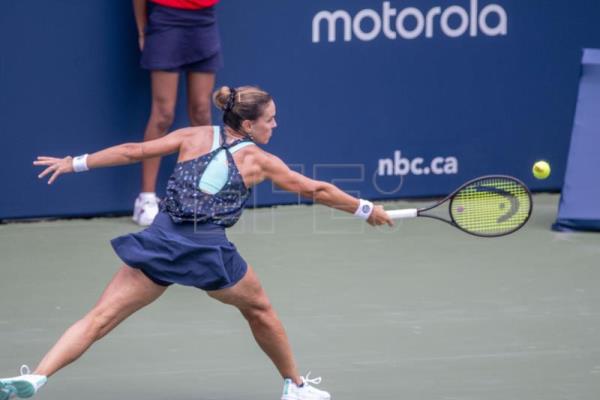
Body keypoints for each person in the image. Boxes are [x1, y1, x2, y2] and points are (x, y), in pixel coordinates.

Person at [0, 86, 393, 400]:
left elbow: (133, 151)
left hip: (161, 240)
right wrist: (364, 208)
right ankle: (295, 387)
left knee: (99, 318)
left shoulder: (193, 135)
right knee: (260, 310)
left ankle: (37, 377)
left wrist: (76, 162)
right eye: (270, 120)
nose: (276, 125)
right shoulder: (259, 160)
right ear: (250, 126)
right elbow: (317, 189)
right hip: (207, 250)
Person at [132, 0, 223, 226]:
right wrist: (142, 29)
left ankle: (202, 196)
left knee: (202, 111)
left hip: (204, 20)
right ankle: (146, 199)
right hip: (165, 19)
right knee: (163, 114)